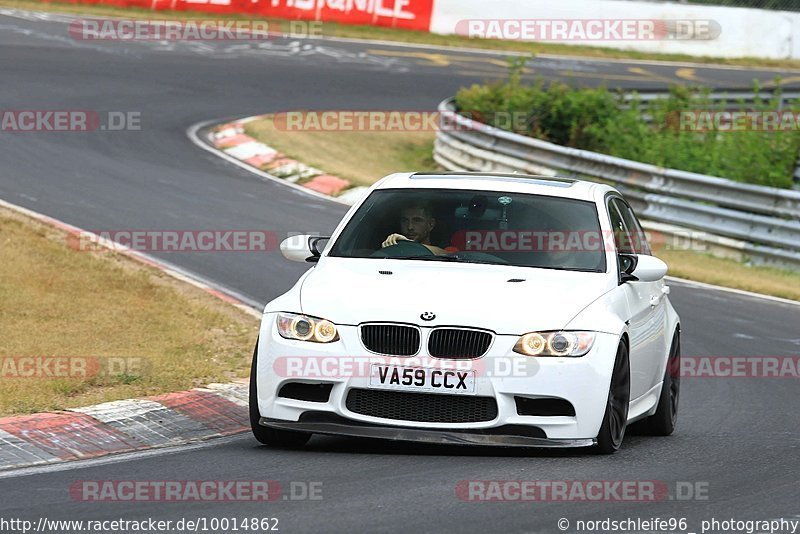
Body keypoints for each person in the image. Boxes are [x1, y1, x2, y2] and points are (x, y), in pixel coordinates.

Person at [382, 203, 447, 255]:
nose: (410, 227)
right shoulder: (393, 250)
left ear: (430, 224)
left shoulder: (445, 249)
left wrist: (408, 244)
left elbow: (449, 254)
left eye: (417, 220)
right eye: (405, 220)